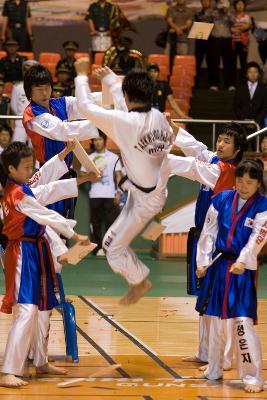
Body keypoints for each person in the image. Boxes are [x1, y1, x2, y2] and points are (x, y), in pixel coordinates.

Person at [74, 59, 172, 305]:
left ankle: (140, 282)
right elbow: (125, 110)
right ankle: (139, 281)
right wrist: (110, 80)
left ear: (128, 95)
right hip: (150, 189)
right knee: (112, 244)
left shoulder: (127, 122)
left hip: (144, 200)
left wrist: (81, 75)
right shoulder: (158, 116)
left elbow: (85, 107)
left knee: (111, 246)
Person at [0, 141, 93, 388]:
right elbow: (45, 214)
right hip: (22, 252)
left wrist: (63, 155)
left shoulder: (22, 187)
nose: (31, 171)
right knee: (27, 309)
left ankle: (40, 360)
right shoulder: (16, 194)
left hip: (37, 249)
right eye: (26, 167)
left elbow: (46, 186)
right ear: (11, 169)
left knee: (43, 307)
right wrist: (74, 235)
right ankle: (10, 369)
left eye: (32, 166)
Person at [162, 120, 248, 368]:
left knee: (217, 299)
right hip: (202, 237)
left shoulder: (224, 170)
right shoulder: (213, 160)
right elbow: (195, 147)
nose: (220, 144)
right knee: (204, 296)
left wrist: (157, 156)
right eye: (219, 139)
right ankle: (204, 351)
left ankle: (222, 357)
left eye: (227, 141)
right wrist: (170, 130)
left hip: (217, 243)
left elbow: (189, 165)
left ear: (238, 149)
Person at [195, 159, 267, 393]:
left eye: (249, 182)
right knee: (215, 321)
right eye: (240, 181)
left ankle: (252, 377)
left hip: (241, 272)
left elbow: (258, 237)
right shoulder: (222, 199)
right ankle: (214, 368)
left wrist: (243, 261)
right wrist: (203, 262)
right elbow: (208, 232)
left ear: (258, 184)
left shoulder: (263, 206)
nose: (244, 186)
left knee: (242, 323)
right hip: (218, 267)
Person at [22, 64, 99, 217]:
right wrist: (102, 122)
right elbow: (62, 131)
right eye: (39, 89)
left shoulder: (59, 103)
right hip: (48, 174)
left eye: (47, 87)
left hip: (68, 171)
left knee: (67, 224)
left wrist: (116, 100)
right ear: (29, 91)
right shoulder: (31, 114)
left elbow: (87, 102)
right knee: (52, 226)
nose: (45, 93)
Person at [81, 131, 122, 256]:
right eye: (95, 140)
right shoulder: (90, 158)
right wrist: (91, 176)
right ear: (93, 142)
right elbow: (82, 174)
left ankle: (110, 247)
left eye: (100, 139)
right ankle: (98, 248)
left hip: (110, 194)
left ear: (104, 140)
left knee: (111, 222)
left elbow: (118, 175)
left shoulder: (114, 157)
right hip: (95, 194)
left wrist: (118, 192)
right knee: (96, 223)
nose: (98, 142)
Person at [207, 0, 235, 91]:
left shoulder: (230, 12)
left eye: (224, 2)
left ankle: (230, 84)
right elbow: (205, 18)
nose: (222, 5)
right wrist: (214, 9)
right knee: (214, 62)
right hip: (215, 38)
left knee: (228, 63)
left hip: (227, 39)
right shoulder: (212, 11)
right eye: (220, 2)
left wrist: (227, 12)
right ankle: (214, 84)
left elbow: (234, 22)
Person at [10, 60, 38, 143]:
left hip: (36, 121)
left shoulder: (40, 87)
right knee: (17, 146)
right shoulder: (17, 87)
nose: (27, 72)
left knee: (35, 148)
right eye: (25, 70)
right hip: (21, 121)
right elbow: (13, 106)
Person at [234, 62, 267, 129]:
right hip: (242, 125)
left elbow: (265, 107)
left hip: (259, 125)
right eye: (250, 72)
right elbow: (236, 106)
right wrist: (244, 120)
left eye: (255, 72)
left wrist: (256, 121)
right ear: (246, 74)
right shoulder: (240, 88)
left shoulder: (264, 89)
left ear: (259, 74)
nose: (253, 74)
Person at [166, 0, 193, 70]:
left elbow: (188, 24)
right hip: (171, 40)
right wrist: (177, 29)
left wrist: (176, 29)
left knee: (181, 63)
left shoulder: (189, 11)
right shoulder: (170, 9)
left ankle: (180, 79)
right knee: (168, 61)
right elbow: (169, 21)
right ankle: (168, 80)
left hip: (183, 40)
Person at [231, 0, 251, 86]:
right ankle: (232, 84)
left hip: (243, 42)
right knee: (232, 63)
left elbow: (246, 27)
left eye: (241, 4)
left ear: (244, 6)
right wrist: (239, 28)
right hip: (233, 42)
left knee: (243, 63)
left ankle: (244, 83)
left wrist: (236, 29)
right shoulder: (231, 16)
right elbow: (230, 28)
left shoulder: (246, 16)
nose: (240, 6)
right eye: (238, 4)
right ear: (235, 6)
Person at [194, 0, 213, 88]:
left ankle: (212, 84)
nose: (205, 2)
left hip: (211, 40)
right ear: (201, 2)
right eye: (203, 1)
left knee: (211, 63)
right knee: (197, 63)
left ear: (210, 2)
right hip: (200, 39)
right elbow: (196, 24)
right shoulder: (197, 13)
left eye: (207, 1)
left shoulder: (214, 13)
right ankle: (195, 84)